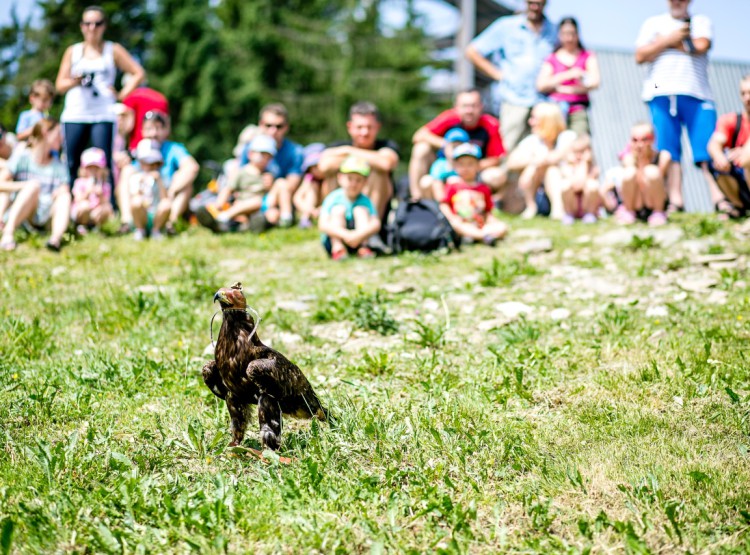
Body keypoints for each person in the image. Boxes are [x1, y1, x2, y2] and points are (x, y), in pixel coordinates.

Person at [635, 0, 716, 213]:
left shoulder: (700, 21)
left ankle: (719, 198)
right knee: (669, 149)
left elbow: (700, 46)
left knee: (706, 149)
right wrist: (671, 39)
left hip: (696, 90)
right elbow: (640, 55)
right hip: (660, 89)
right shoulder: (652, 23)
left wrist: (661, 43)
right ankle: (675, 200)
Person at [55, 6, 145, 188]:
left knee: (106, 161)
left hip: (103, 113)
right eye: (88, 23)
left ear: (104, 26)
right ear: (81, 26)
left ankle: (109, 207)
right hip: (75, 113)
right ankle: (73, 206)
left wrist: (121, 93)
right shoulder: (73, 52)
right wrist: (75, 81)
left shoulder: (113, 50)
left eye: (97, 23)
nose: (92, 28)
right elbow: (59, 85)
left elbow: (138, 73)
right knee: (72, 162)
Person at [465, 0, 557, 152]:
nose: (534, 7)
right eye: (531, 3)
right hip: (514, 99)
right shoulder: (506, 26)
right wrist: (498, 74)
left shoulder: (554, 30)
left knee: (544, 149)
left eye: (539, 3)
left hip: (544, 101)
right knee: (508, 149)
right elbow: (472, 51)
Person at [408, 89, 506, 200]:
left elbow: (496, 158)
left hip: (476, 173)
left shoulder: (490, 124)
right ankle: (416, 199)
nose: (469, 110)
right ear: (456, 107)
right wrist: (448, 145)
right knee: (420, 148)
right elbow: (419, 135)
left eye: (473, 106)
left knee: (496, 175)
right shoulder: (449, 118)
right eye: (465, 106)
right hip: (446, 168)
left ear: (481, 107)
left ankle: (488, 205)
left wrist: (469, 166)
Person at [117, 110, 199, 234]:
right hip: (143, 198)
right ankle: (127, 221)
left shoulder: (174, 148)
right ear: (142, 131)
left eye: (158, 128)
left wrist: (171, 191)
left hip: (166, 196)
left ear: (166, 131)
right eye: (149, 128)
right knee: (126, 171)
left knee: (186, 182)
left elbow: (192, 167)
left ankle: (171, 222)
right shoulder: (139, 149)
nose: (154, 133)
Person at [318, 101, 400, 220]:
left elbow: (386, 163)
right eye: (359, 127)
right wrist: (369, 159)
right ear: (350, 127)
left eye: (369, 127)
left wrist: (348, 151)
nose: (364, 132)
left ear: (377, 127)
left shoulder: (386, 145)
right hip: (340, 211)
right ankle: (333, 221)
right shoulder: (338, 145)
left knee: (379, 172)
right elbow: (324, 166)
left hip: (372, 213)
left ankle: (371, 227)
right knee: (332, 173)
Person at [0, 119, 70, 252]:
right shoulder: (22, 158)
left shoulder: (58, 166)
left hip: (46, 214)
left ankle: (55, 239)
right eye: (58, 133)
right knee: (33, 187)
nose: (61, 138)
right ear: (45, 133)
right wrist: (25, 186)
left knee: (65, 195)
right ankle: (8, 234)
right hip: (24, 212)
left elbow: (64, 189)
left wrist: (61, 191)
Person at [506, 102, 577, 219]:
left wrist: (532, 166)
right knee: (541, 168)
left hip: (569, 191)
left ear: (547, 120)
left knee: (552, 170)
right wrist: (532, 163)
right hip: (540, 191)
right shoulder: (533, 140)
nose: (530, 122)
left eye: (534, 118)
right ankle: (531, 207)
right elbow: (511, 162)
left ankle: (558, 209)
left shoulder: (568, 137)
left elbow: (555, 157)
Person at [238, 104, 303, 227]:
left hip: (278, 200)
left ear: (286, 127)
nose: (273, 131)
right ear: (260, 124)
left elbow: (292, 185)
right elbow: (240, 178)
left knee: (274, 211)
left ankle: (259, 221)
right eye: (268, 125)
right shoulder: (250, 148)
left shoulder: (295, 152)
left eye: (279, 126)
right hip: (250, 196)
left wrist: (273, 185)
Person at [195, 134, 277, 233]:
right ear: (250, 154)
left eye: (268, 156)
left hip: (259, 209)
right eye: (262, 154)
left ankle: (244, 226)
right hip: (242, 204)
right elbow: (228, 188)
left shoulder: (268, 174)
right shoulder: (241, 172)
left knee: (268, 212)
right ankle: (222, 219)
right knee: (254, 203)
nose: (264, 159)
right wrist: (219, 204)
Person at [536, 17, 600, 137]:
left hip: (578, 110)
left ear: (577, 35)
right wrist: (569, 75)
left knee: (579, 143)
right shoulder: (552, 58)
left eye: (572, 34)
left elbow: (595, 82)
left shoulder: (587, 56)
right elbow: (541, 85)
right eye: (565, 34)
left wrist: (561, 87)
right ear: (559, 35)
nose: (569, 38)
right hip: (555, 111)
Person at [439, 143, 508, 246]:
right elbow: (443, 204)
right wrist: (452, 218)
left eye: (470, 164)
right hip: (462, 223)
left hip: (480, 224)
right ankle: (483, 237)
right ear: (455, 166)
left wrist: (491, 220)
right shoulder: (453, 186)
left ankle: (478, 236)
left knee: (502, 227)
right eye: (461, 164)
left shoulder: (483, 188)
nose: (465, 168)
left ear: (478, 166)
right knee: (458, 226)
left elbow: (488, 211)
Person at [318, 156, 381, 260]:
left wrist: (358, 235)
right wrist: (346, 235)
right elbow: (323, 224)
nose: (353, 184)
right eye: (350, 178)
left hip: (358, 238)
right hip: (336, 238)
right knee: (338, 210)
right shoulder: (333, 198)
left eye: (358, 180)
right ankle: (338, 249)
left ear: (365, 182)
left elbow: (375, 223)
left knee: (360, 210)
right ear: (340, 178)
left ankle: (363, 247)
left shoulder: (365, 200)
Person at [706, 74, 750, 219]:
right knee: (715, 164)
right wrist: (720, 157)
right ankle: (738, 207)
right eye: (743, 93)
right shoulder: (731, 120)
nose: (747, 98)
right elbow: (714, 143)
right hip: (741, 178)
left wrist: (744, 150)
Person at [614, 122, 670, 226]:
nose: (640, 144)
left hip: (652, 201)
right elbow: (632, 181)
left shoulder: (663, 156)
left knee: (651, 171)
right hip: (637, 202)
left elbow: (657, 182)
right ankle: (628, 211)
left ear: (653, 139)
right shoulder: (628, 158)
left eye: (645, 139)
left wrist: (644, 160)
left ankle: (658, 212)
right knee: (630, 172)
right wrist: (638, 160)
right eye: (635, 140)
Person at [127, 139, 171, 240]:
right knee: (136, 202)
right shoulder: (135, 177)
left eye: (154, 163)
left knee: (166, 204)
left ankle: (156, 231)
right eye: (147, 163)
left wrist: (159, 181)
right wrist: (141, 183)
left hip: (155, 214)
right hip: (141, 215)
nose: (151, 167)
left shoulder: (162, 177)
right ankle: (139, 230)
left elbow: (165, 199)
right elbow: (134, 198)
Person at [556, 134, 601, 224]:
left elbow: (581, 183)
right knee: (565, 185)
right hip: (574, 204)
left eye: (582, 152)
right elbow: (576, 185)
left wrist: (584, 162)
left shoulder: (593, 168)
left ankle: (590, 214)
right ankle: (568, 214)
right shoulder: (567, 167)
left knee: (593, 185)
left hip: (585, 204)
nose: (578, 155)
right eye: (575, 152)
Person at [419, 127, 471, 201]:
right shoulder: (440, 164)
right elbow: (436, 182)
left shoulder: (469, 164)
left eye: (458, 146)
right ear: (445, 148)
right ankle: (432, 207)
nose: (455, 150)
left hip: (462, 197)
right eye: (452, 146)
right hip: (441, 196)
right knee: (426, 181)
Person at [121, 74, 169, 151]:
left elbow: (128, 126)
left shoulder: (131, 97)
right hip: (161, 146)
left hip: (138, 146)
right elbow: (167, 125)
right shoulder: (161, 97)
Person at [71, 147, 113, 234]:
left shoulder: (104, 185)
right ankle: (81, 225)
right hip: (82, 211)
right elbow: (78, 199)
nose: (93, 171)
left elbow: (106, 203)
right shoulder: (79, 182)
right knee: (85, 206)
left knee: (106, 209)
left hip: (95, 213)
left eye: (96, 168)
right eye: (90, 168)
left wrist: (100, 195)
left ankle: (95, 226)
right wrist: (87, 192)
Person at [292, 143, 328, 229]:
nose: (316, 170)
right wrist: (310, 210)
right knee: (312, 187)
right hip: (312, 207)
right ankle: (305, 219)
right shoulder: (309, 179)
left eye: (317, 165)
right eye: (312, 167)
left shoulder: (330, 179)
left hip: (325, 205)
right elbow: (297, 198)